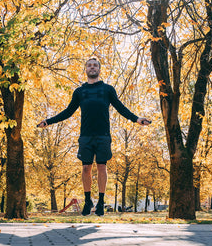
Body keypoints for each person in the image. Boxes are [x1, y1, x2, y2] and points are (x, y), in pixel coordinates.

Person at [37, 58, 151, 216]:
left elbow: (120, 107)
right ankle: (88, 199)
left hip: (103, 135)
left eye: (95, 65)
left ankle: (101, 201)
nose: (92, 67)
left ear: (99, 69)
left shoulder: (108, 89)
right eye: (89, 65)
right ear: (86, 69)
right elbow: (68, 112)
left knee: (102, 167)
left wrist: (136, 119)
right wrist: (48, 121)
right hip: (86, 136)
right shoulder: (79, 92)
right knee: (85, 168)